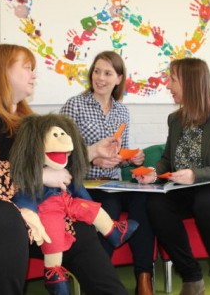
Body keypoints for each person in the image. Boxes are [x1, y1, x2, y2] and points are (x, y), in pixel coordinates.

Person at [0, 44, 129, 295]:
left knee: (78, 226)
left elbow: (51, 163)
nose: (34, 75)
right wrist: (39, 175)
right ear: (2, 71)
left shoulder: (26, 121)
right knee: (3, 212)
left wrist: (94, 151)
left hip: (19, 213)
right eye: (27, 68)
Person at [135, 57, 210, 295]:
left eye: (172, 80)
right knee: (156, 203)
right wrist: (154, 173)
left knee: (208, 199)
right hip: (187, 191)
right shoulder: (175, 119)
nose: (168, 86)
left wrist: (195, 175)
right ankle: (191, 277)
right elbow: (168, 160)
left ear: (191, 82)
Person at [60, 51, 156, 295]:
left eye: (107, 73)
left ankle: (144, 278)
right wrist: (95, 159)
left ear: (118, 78)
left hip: (114, 182)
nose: (100, 78)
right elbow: (61, 152)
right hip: (85, 183)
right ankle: (98, 283)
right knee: (110, 206)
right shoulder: (75, 105)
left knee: (144, 199)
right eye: (96, 71)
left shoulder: (122, 111)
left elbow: (118, 156)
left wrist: (131, 158)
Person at [10, 113, 139, 294]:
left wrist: (92, 212)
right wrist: (31, 200)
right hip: (40, 219)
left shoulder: (25, 118)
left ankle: (112, 231)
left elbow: (80, 191)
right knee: (54, 234)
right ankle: (53, 273)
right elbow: (23, 195)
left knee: (89, 219)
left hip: (68, 208)